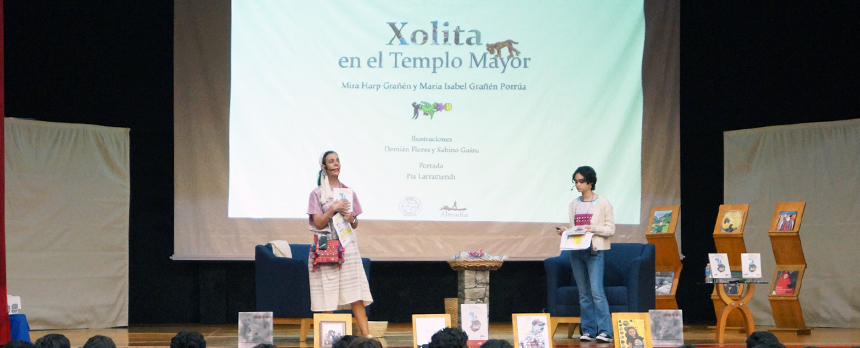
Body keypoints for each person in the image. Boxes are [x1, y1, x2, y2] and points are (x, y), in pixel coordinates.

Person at [308, 151, 373, 337]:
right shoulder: (317, 194)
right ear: (324, 167)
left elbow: (355, 223)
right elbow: (318, 223)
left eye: (337, 161)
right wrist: (332, 209)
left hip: (347, 244)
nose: (335, 164)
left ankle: (366, 336)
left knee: (355, 291)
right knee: (327, 293)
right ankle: (329, 338)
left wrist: (351, 218)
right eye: (331, 161)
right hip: (324, 245)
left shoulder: (347, 191)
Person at [556, 166, 615, 343]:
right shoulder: (573, 204)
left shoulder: (603, 202)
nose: (578, 185)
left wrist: (593, 228)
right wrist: (567, 231)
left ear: (590, 182)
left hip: (594, 251)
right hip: (577, 252)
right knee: (583, 293)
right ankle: (588, 330)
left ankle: (605, 331)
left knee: (597, 292)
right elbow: (577, 229)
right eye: (575, 182)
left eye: (581, 181)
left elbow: (610, 229)